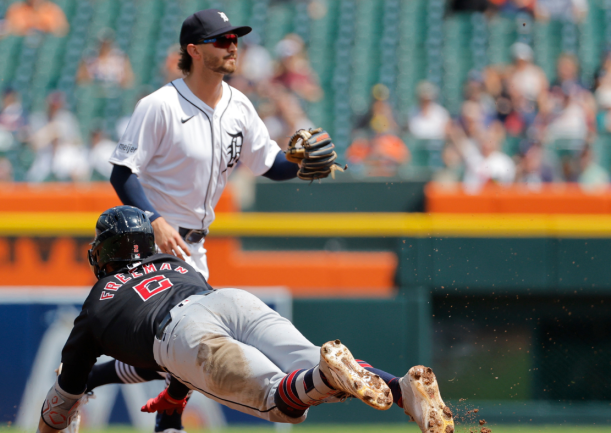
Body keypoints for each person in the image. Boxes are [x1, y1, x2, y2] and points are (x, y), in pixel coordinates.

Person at [36, 205, 455, 433]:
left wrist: (63, 403)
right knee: (309, 358)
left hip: (181, 335)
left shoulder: (98, 303)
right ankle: (403, 391)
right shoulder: (173, 262)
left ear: (105, 253)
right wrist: (109, 379)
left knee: (283, 403)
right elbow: (154, 361)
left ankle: (328, 379)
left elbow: (62, 400)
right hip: (225, 300)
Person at [109, 9, 338, 281]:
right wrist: (154, 221)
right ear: (194, 51)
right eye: (221, 41)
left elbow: (271, 165)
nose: (232, 47)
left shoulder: (239, 106)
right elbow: (121, 173)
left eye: (234, 39)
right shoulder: (159, 105)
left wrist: (299, 160)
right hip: (152, 246)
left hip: (194, 249)